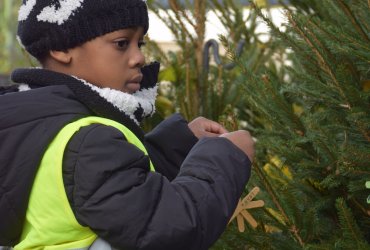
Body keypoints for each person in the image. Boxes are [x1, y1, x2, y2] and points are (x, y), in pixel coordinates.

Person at [0, 0, 255, 249]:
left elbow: (109, 185)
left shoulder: (40, 123)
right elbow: (166, 227)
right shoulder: (87, 141)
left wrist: (180, 143)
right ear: (60, 48)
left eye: (140, 43)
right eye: (122, 43)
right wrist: (225, 157)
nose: (139, 57)